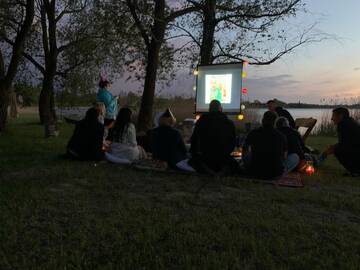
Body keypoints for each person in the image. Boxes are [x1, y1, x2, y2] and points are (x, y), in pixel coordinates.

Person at [243, 111, 299, 179]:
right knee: (295, 157)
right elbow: (284, 157)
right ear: (275, 122)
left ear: (263, 120)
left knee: (246, 154)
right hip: (275, 173)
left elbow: (245, 149)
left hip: (255, 171)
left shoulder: (253, 133)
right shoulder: (281, 136)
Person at [189, 100, 238, 173]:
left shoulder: (201, 121)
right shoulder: (229, 123)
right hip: (223, 160)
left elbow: (194, 141)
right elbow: (233, 143)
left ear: (209, 109)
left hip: (205, 160)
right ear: (221, 109)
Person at [322, 107, 360, 176]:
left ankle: (356, 171)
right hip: (356, 150)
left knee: (338, 150)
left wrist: (332, 149)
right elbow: (346, 142)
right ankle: (354, 170)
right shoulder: (349, 122)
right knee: (337, 149)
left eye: (333, 116)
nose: (331, 118)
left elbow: (346, 145)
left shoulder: (343, 125)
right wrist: (334, 147)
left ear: (341, 116)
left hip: (357, 152)